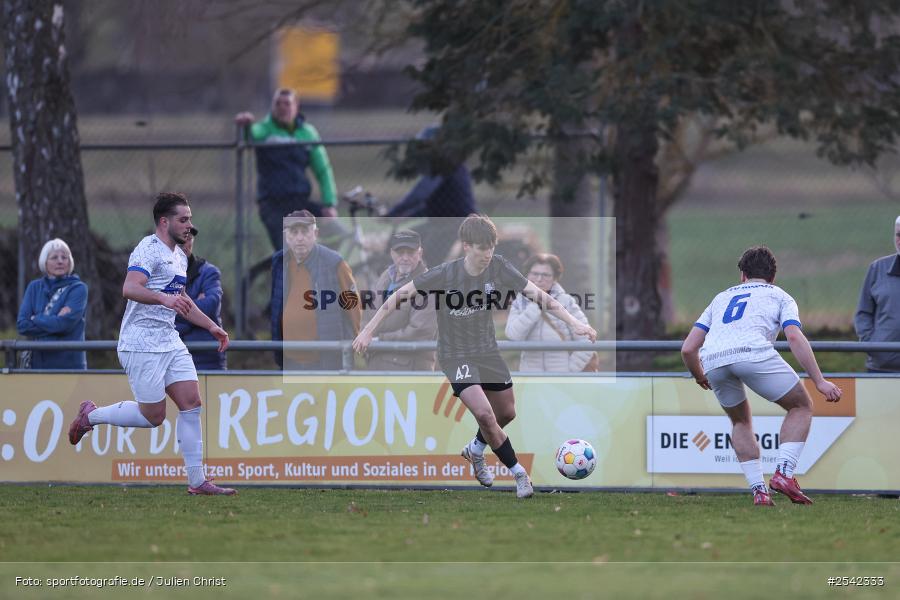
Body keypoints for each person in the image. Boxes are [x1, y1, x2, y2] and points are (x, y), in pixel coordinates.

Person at [353, 214, 597, 498]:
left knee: (506, 413)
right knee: (484, 413)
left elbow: (542, 296)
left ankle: (476, 449)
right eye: (482, 247)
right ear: (467, 246)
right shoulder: (444, 274)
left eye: (491, 246)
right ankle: (520, 474)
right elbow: (396, 297)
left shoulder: (499, 268)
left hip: (487, 351)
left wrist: (576, 323)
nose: (488, 253)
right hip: (456, 356)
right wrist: (368, 331)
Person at [67, 192, 235, 496]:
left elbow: (180, 301)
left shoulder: (180, 256)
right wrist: (162, 298)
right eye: (183, 219)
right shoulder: (148, 249)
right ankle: (90, 415)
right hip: (140, 342)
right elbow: (130, 288)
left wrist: (213, 327)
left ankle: (197, 482)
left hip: (169, 340)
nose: (189, 225)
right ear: (164, 221)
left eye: (190, 219)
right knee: (153, 417)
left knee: (191, 403)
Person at [681, 246, 842, 507]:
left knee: (740, 422)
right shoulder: (780, 296)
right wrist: (820, 381)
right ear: (772, 277)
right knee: (801, 406)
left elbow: (688, 348)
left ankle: (759, 491)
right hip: (752, 353)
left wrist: (699, 375)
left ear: (743, 275)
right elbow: (793, 336)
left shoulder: (720, 298)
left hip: (713, 360)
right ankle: (784, 474)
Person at [235, 88, 338, 251]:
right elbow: (252, 135)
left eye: (287, 103)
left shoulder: (308, 133)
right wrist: (246, 126)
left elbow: (323, 170)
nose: (282, 107)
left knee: (341, 234)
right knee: (287, 253)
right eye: (278, 104)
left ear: (296, 107)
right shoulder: (266, 129)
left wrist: (329, 203)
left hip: (300, 203)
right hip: (273, 205)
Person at [271, 210, 361, 370]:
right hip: (289, 359)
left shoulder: (334, 263)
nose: (299, 238)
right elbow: (277, 305)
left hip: (325, 360)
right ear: (286, 235)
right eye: (294, 232)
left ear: (315, 234)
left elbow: (353, 307)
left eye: (305, 231)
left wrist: (348, 348)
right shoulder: (279, 262)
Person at [385, 125, 477, 267]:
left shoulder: (443, 166)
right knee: (406, 240)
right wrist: (405, 216)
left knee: (427, 262)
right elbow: (432, 205)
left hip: (455, 224)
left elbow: (420, 194)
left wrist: (393, 212)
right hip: (445, 221)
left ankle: (433, 284)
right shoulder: (445, 164)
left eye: (425, 146)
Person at [505, 253, 595, 372]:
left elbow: (586, 340)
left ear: (555, 278)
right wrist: (534, 306)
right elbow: (513, 336)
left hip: (560, 379)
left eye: (546, 275)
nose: (539, 279)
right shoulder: (520, 302)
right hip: (530, 378)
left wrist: (569, 370)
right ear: (526, 275)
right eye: (535, 273)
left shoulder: (566, 302)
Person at [361, 230, 437, 371]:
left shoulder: (428, 285)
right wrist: (365, 333)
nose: (405, 257)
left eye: (410, 253)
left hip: (408, 373)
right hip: (378, 365)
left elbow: (419, 332)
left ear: (420, 254)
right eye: (400, 252)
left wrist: (379, 340)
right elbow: (369, 312)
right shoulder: (386, 276)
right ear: (391, 253)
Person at [16, 238, 88, 370]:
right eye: (54, 257)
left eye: (64, 257)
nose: (60, 261)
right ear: (45, 262)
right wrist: (55, 321)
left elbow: (64, 324)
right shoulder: (34, 287)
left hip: (70, 365)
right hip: (37, 364)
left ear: (70, 262)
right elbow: (22, 325)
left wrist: (36, 318)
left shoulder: (78, 288)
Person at [175, 228, 227, 370]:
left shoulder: (209, 272)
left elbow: (211, 306)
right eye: (181, 238)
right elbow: (156, 311)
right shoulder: (159, 273)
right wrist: (196, 313)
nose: (185, 243)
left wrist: (175, 311)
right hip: (172, 355)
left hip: (206, 357)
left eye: (189, 238)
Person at [854, 215, 900, 373]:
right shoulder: (877, 268)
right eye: (898, 234)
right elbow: (863, 313)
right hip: (881, 368)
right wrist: (872, 346)